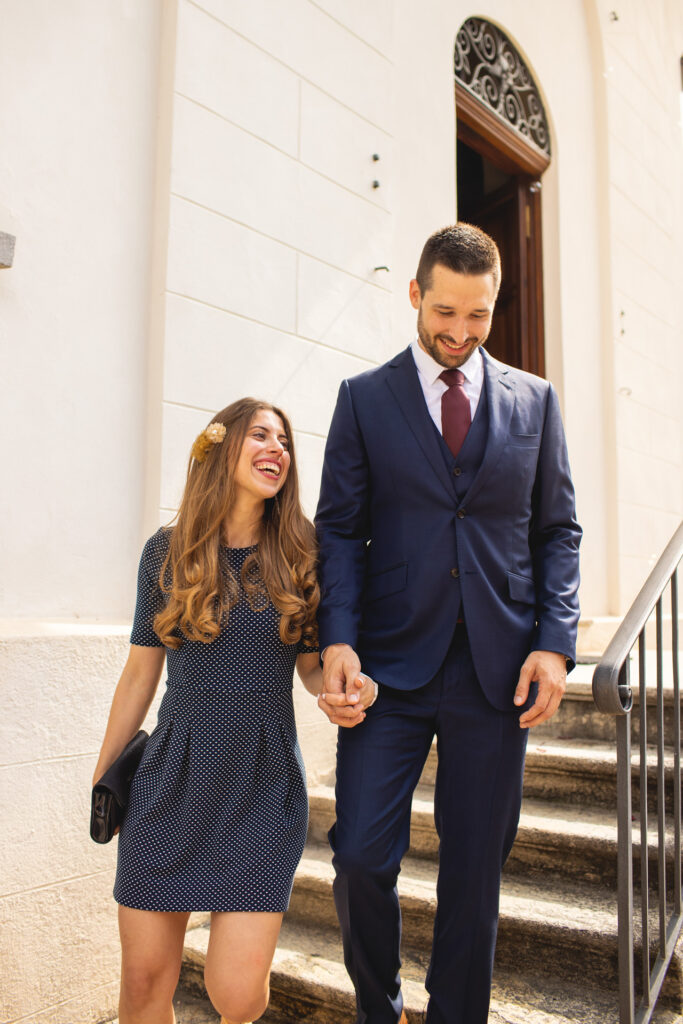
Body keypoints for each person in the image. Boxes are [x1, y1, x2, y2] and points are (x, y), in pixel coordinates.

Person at [315, 224, 582, 1024]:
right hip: (386, 667)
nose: (460, 333)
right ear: (413, 295)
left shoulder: (535, 399)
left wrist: (554, 643)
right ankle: (379, 1006)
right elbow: (339, 529)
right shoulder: (364, 399)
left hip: (496, 669)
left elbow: (555, 531)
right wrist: (337, 637)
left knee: (476, 870)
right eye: (443, 312)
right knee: (361, 854)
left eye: (478, 315)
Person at [93, 397, 375, 1024]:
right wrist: (105, 772)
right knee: (144, 985)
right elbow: (141, 672)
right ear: (220, 448)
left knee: (237, 994)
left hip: (262, 783)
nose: (278, 448)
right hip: (170, 778)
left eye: (284, 441)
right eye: (261, 436)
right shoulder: (165, 553)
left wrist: (341, 684)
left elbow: (309, 665)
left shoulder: (301, 553)